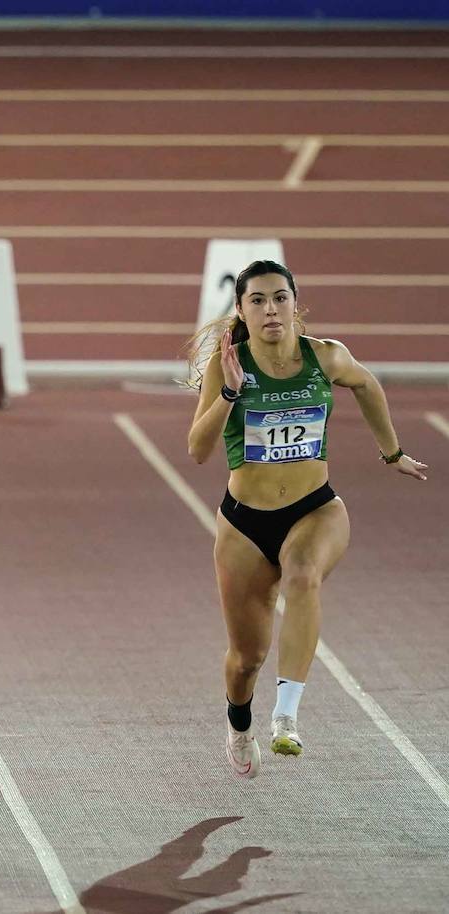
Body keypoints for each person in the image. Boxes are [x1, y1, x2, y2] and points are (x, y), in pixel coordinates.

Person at [186, 259, 428, 779]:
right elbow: (198, 451)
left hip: (315, 508)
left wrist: (392, 453)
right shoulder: (227, 365)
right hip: (245, 524)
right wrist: (229, 393)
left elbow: (366, 385)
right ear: (241, 311)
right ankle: (239, 721)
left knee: (302, 573)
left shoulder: (326, 357)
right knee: (246, 658)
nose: (270, 309)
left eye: (280, 298)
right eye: (258, 300)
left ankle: (287, 716)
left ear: (297, 304)